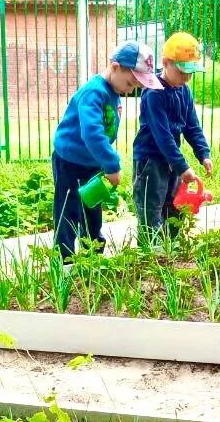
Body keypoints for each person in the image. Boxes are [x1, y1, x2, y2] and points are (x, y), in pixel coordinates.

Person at [52, 41, 161, 259]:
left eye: (136, 87)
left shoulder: (113, 90)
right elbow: (92, 133)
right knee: (68, 210)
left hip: (92, 162)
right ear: (115, 67)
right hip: (70, 162)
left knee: (92, 207)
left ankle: (94, 254)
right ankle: (63, 259)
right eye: (130, 83)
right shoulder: (94, 93)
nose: (130, 90)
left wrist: (103, 161)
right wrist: (112, 163)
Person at [131, 31, 213, 246]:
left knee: (175, 205)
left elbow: (192, 126)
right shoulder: (154, 93)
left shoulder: (184, 91)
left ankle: (171, 248)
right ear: (166, 63)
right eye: (182, 71)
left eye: (191, 73)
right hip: (151, 160)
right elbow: (163, 136)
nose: (187, 78)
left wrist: (203, 153)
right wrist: (182, 166)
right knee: (151, 207)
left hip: (171, 161)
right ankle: (152, 252)